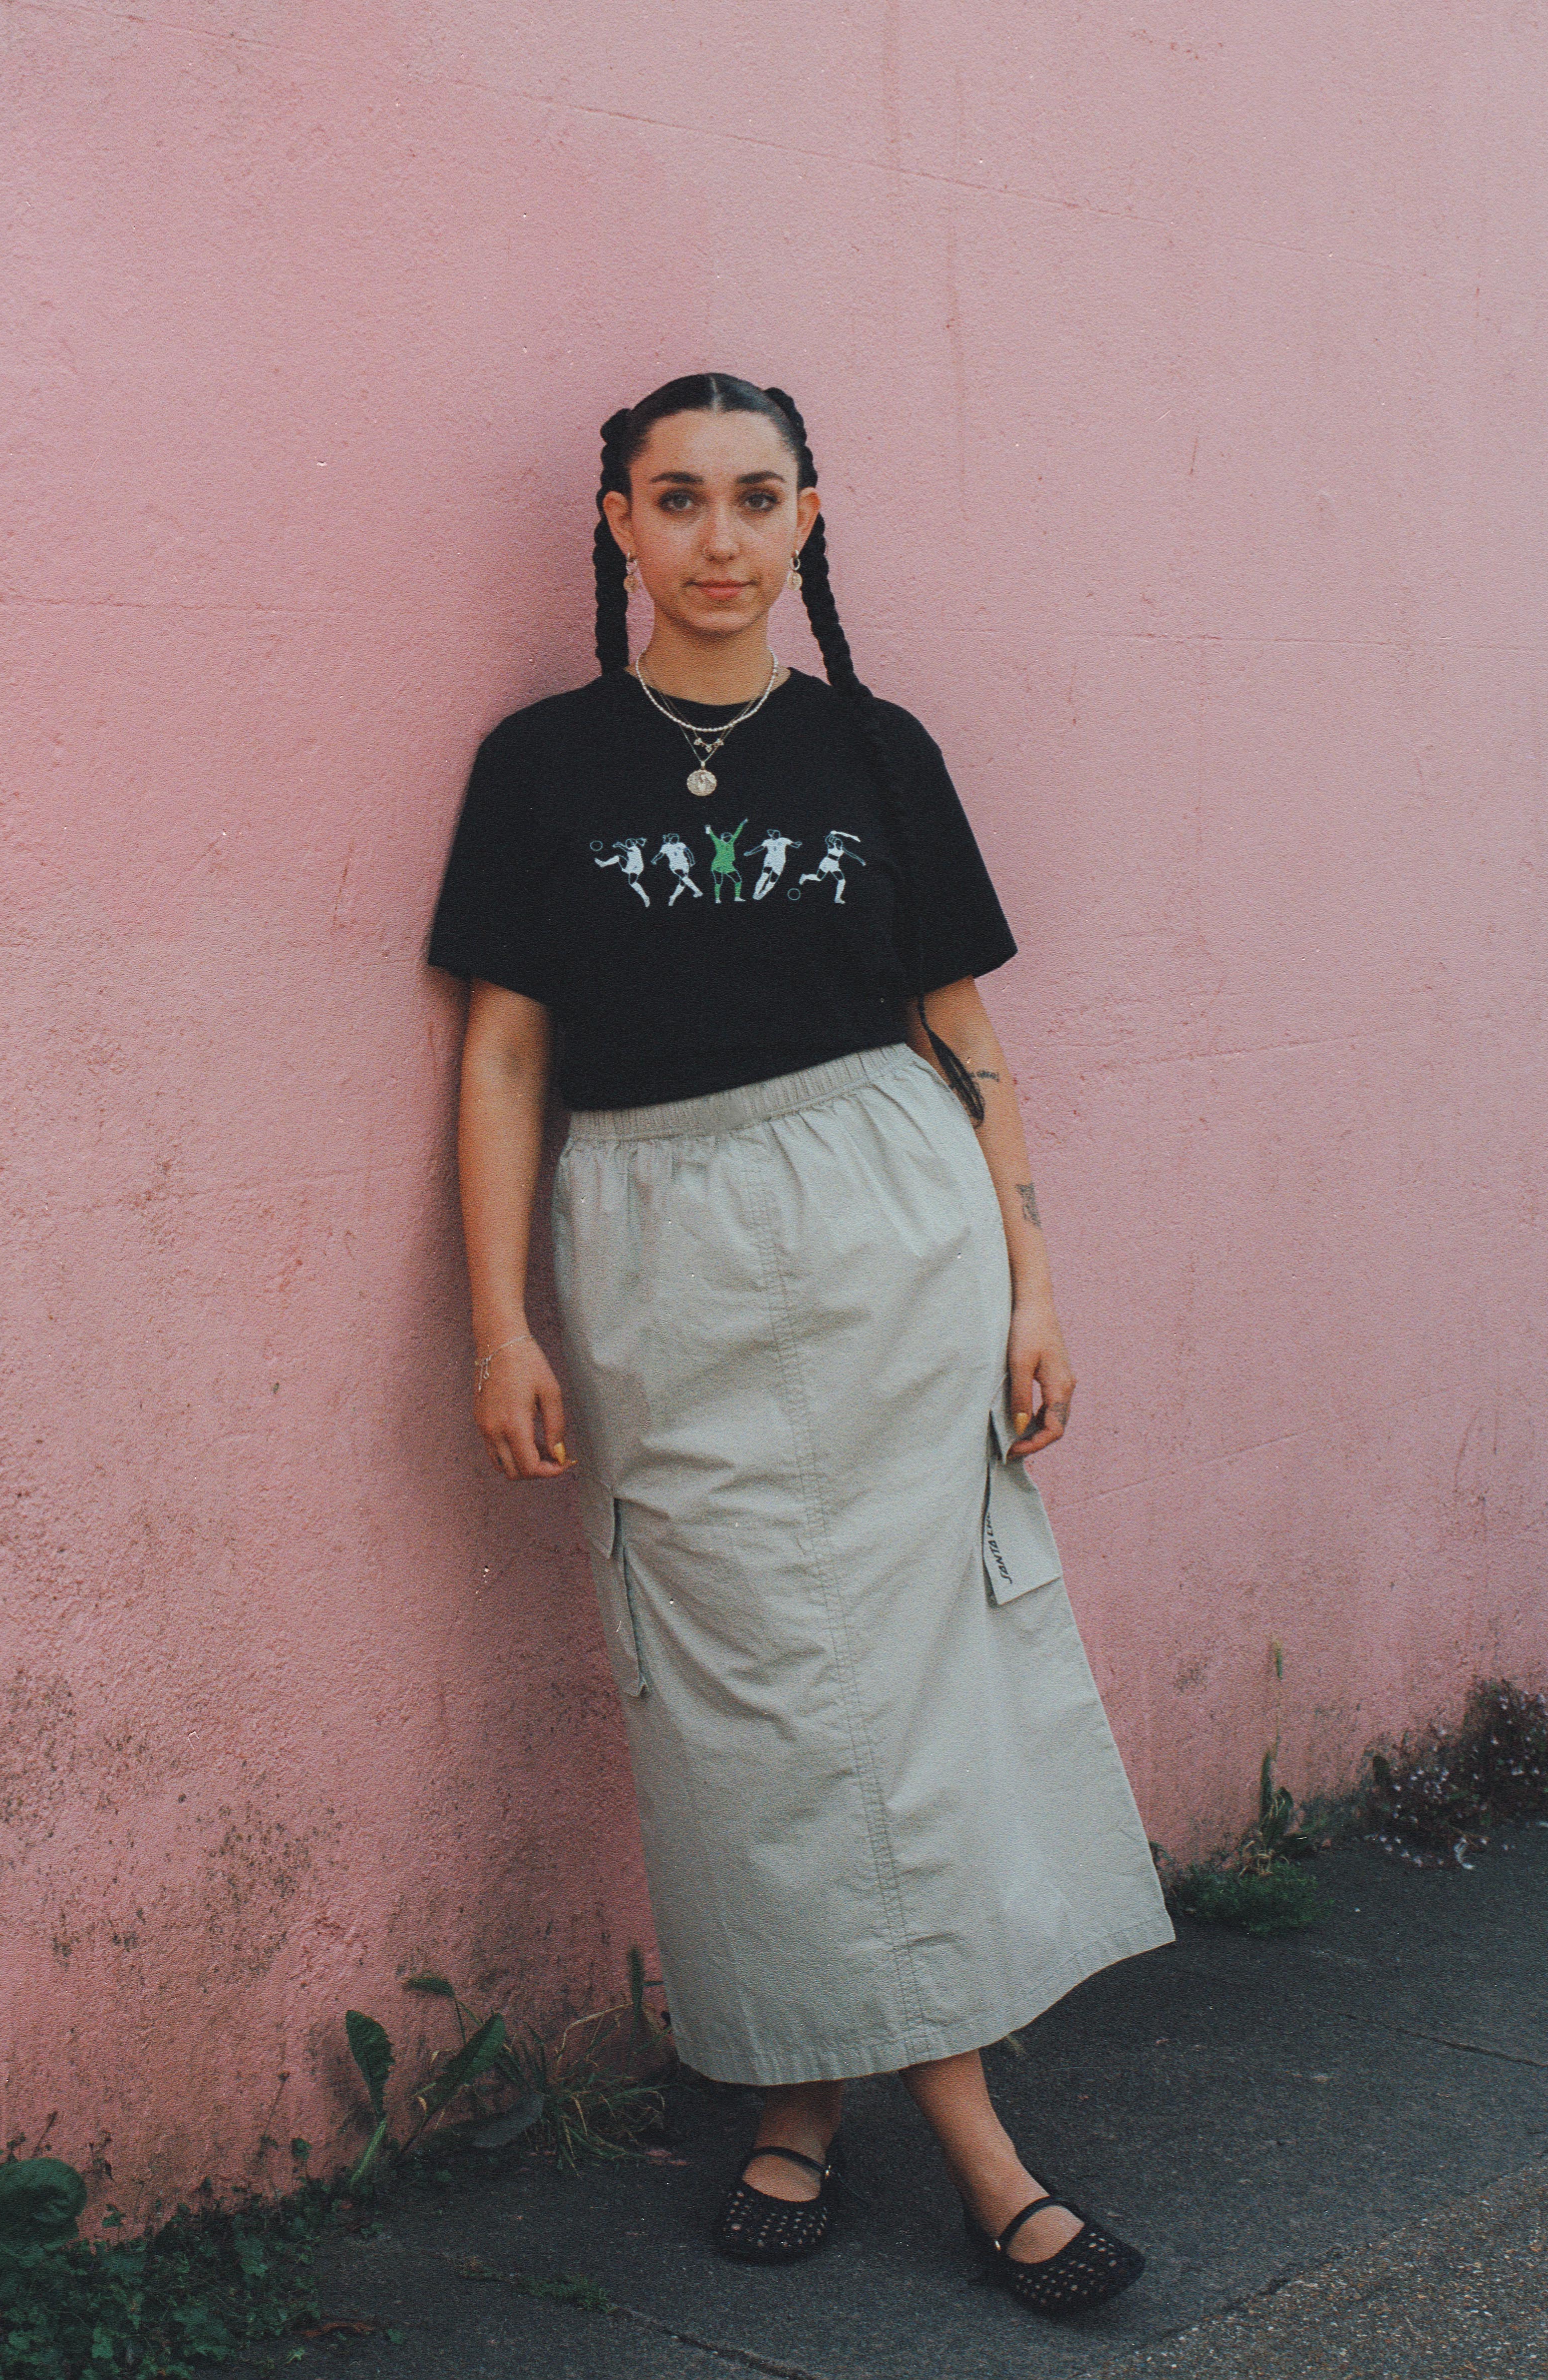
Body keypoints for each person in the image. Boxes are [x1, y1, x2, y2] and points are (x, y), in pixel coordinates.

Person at [426, 374, 1175, 2320]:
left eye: (758, 498)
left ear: (808, 519)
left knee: (909, 1690)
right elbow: (503, 1057)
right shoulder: (542, 767)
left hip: (889, 1231)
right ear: (619, 523)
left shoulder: (876, 750)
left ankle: (885, 2129)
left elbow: (964, 1037)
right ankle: (830, 2095)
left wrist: (1033, 1283)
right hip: (656, 1247)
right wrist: (500, 1324)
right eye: (677, 498)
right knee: (744, 1694)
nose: (720, 538)